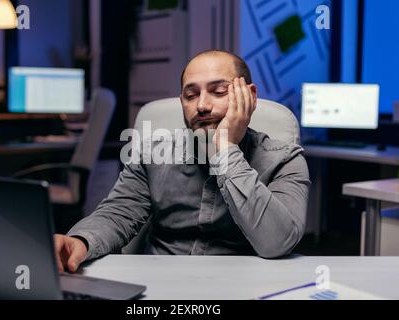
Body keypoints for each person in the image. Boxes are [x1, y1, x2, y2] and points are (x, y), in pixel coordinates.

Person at [54, 50, 311, 273]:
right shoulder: (152, 154)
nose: (201, 105)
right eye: (190, 95)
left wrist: (226, 149)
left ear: (249, 96)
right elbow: (117, 214)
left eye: (218, 91)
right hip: (158, 285)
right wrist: (81, 241)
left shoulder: (284, 158)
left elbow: (278, 242)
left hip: (243, 285)